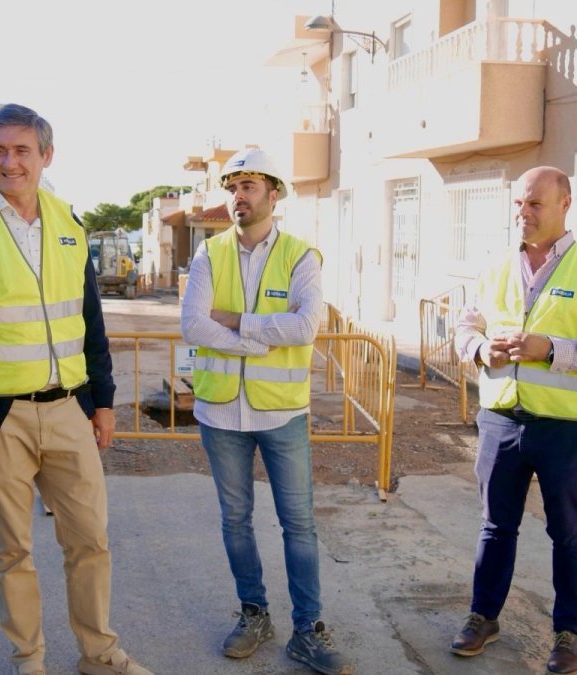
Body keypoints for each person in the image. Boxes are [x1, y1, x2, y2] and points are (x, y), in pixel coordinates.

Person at [0, 104, 151, 675]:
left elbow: (90, 320)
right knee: (11, 550)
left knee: (90, 540)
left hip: (69, 408)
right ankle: (29, 660)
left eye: (22, 150)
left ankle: (99, 654)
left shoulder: (69, 222)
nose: (10, 162)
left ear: (46, 156)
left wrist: (103, 401)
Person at [451, 166, 577, 674]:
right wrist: (480, 349)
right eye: (518, 204)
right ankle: (483, 616)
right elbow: (465, 325)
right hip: (500, 420)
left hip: (563, 428)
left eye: (534, 204)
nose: (523, 213)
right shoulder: (495, 267)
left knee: (570, 532)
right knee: (495, 526)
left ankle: (570, 633)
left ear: (564, 204)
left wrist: (551, 349)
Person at [180, 148, 353, 675]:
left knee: (298, 524)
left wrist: (236, 322)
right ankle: (254, 613)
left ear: (273, 194)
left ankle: (308, 629)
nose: (239, 196)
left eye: (249, 186)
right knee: (235, 521)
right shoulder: (209, 253)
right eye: (233, 187)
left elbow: (305, 327)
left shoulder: (301, 256)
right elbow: (193, 324)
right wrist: (259, 341)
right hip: (220, 413)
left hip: (281, 414)